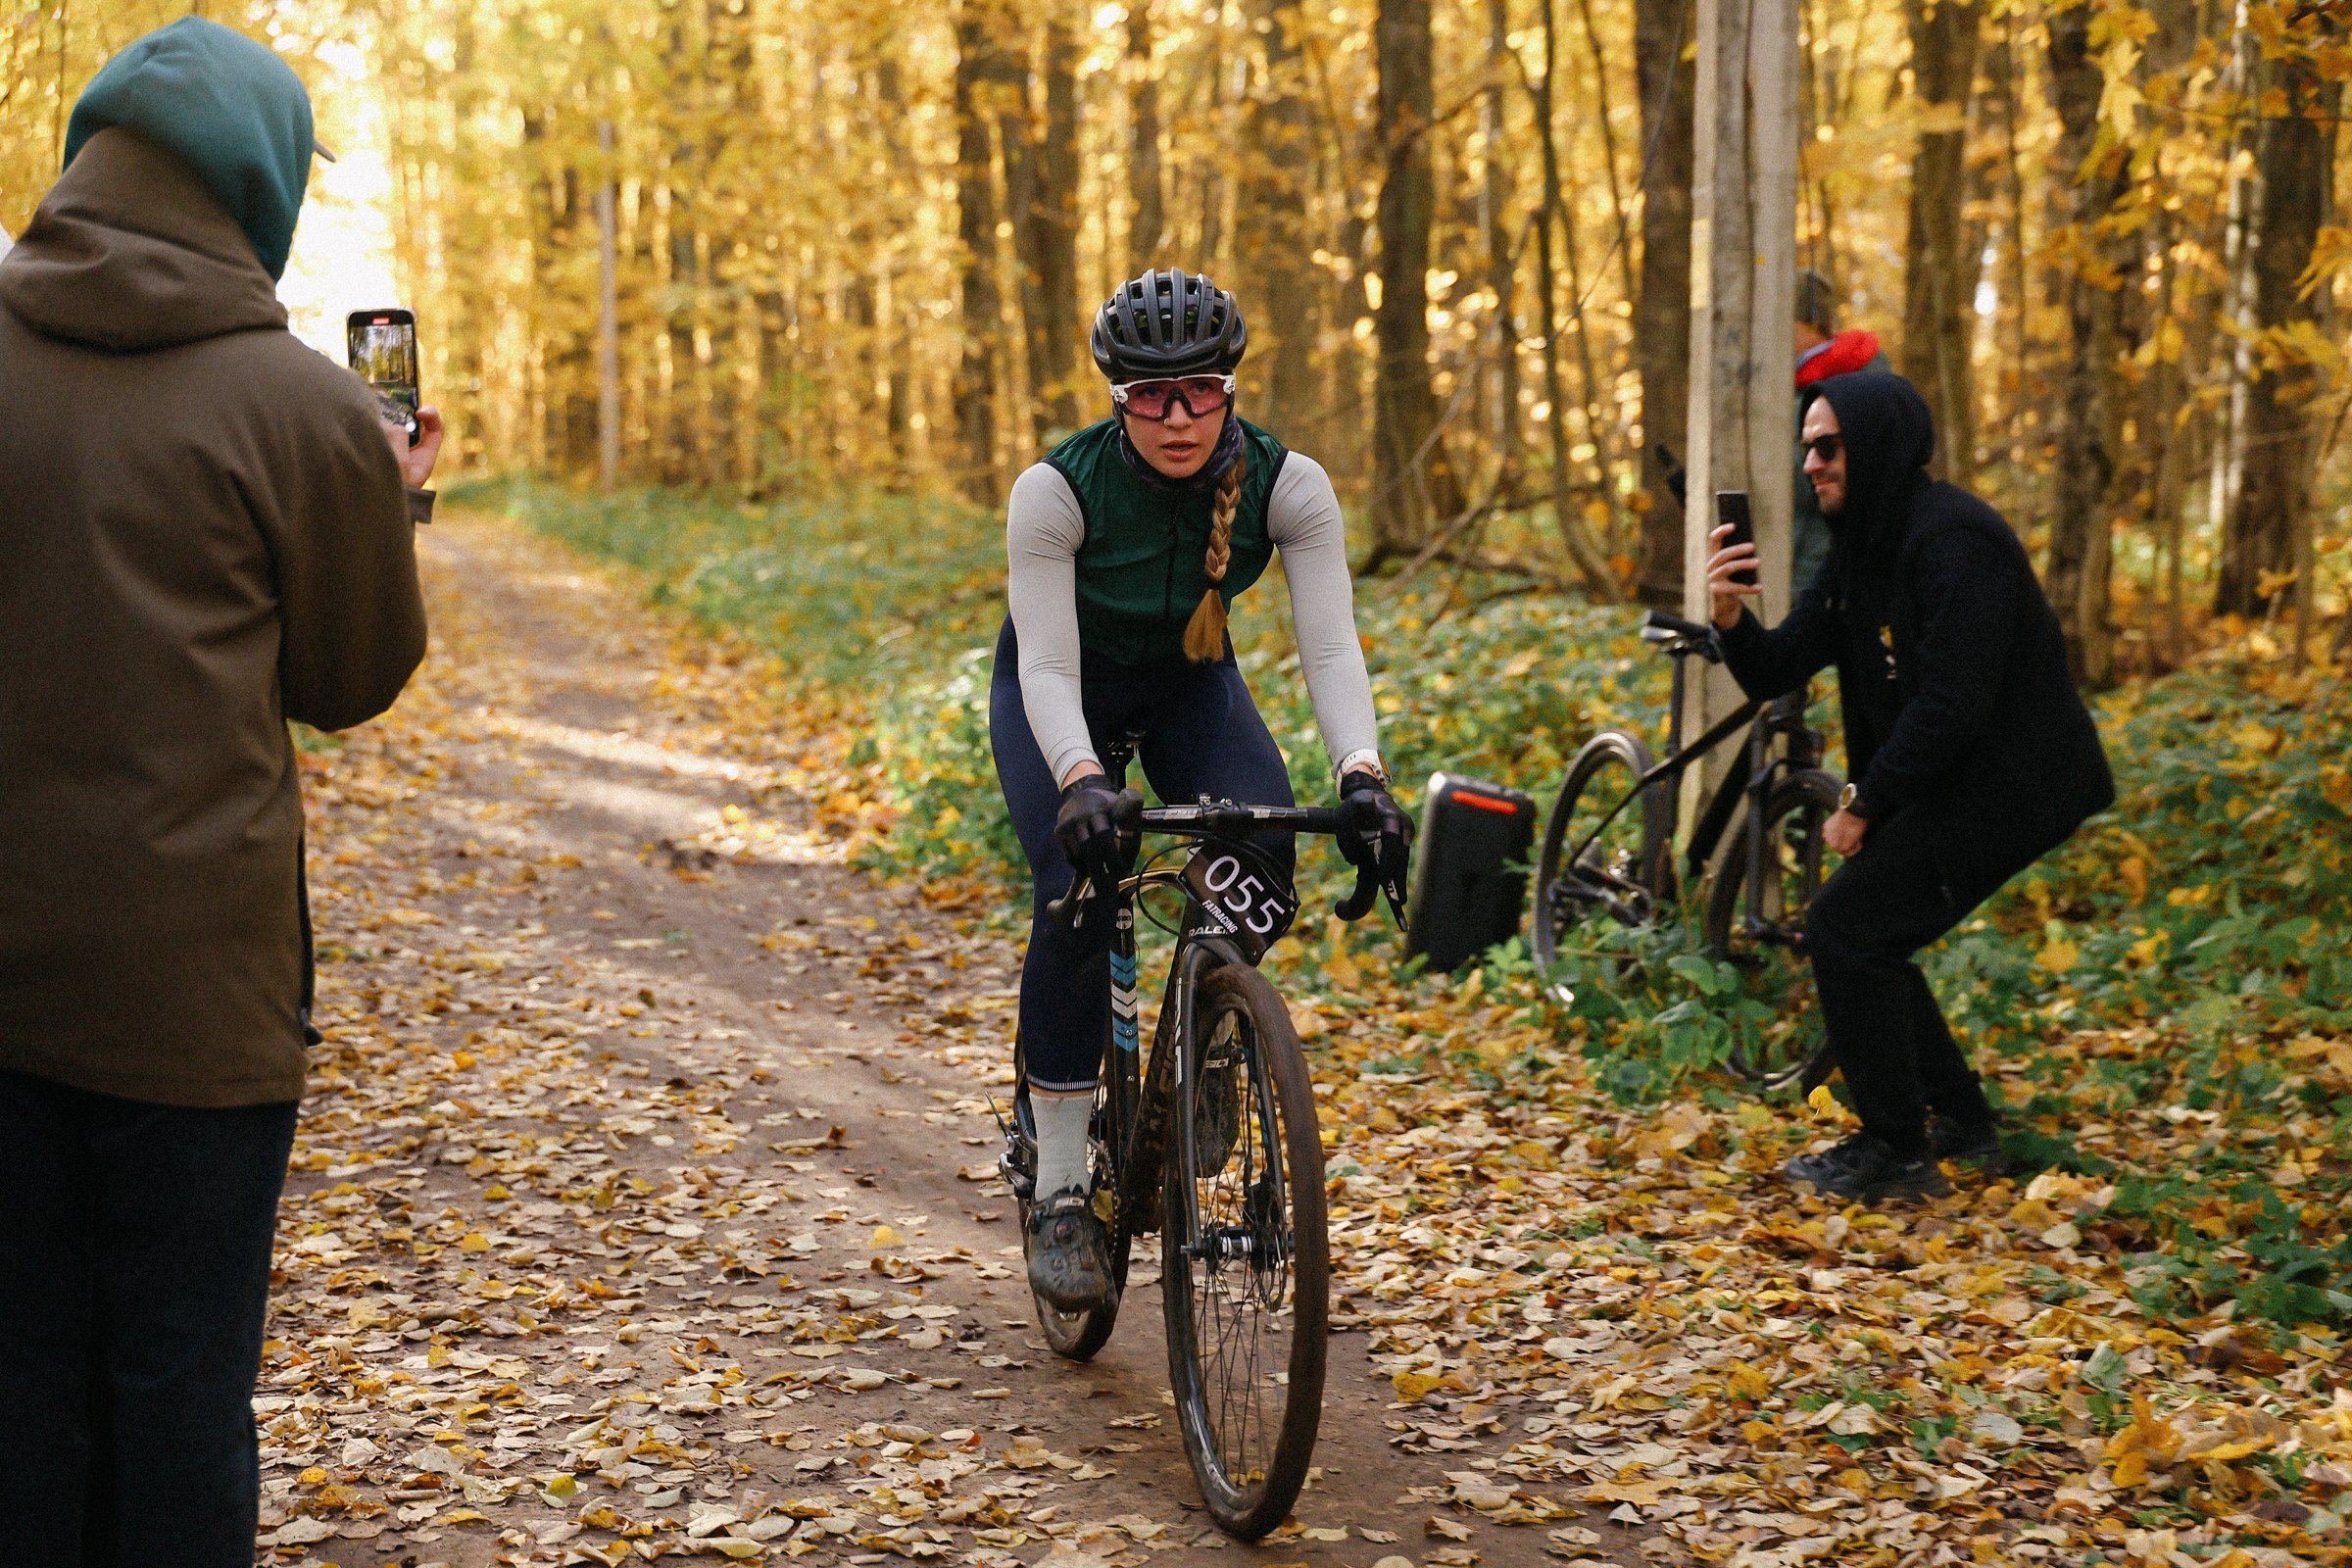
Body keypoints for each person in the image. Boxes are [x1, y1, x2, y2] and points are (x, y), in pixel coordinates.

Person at [0, 19, 441, 1565]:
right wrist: (387, 499)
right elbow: (348, 674)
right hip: (196, 1004)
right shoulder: (307, 408)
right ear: (257, 190)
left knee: (21, 1383)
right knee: (180, 1389)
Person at [990, 269, 1411, 1309]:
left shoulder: (1288, 484)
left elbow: (1330, 646)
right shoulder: (1058, 490)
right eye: (1149, 394)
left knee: (1262, 844)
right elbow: (1046, 668)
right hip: (1059, 690)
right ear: (1116, 395)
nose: (1177, 415)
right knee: (1074, 890)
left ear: (1230, 387)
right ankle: (1054, 1186)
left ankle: (1209, 1040)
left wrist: (1364, 773)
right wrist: (1083, 779)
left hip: (1188, 685)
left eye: (1200, 389)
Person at [1704, 370, 2112, 1203]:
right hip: (1956, 776)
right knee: (1868, 932)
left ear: (1877, 442)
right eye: (1805, 447)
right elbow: (1783, 662)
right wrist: (1731, 621)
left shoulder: (1954, 540)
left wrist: (1864, 803)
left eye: (1827, 446)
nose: (1810, 463)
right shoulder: (1865, 545)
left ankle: (1896, 1149)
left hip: (2018, 781)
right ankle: (1960, 1121)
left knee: (1846, 925)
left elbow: (1954, 705)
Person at [1789, 270, 1887, 591]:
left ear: (1805, 323)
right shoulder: (1794, 383)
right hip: (1796, 561)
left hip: (1830, 565)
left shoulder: (1857, 380)